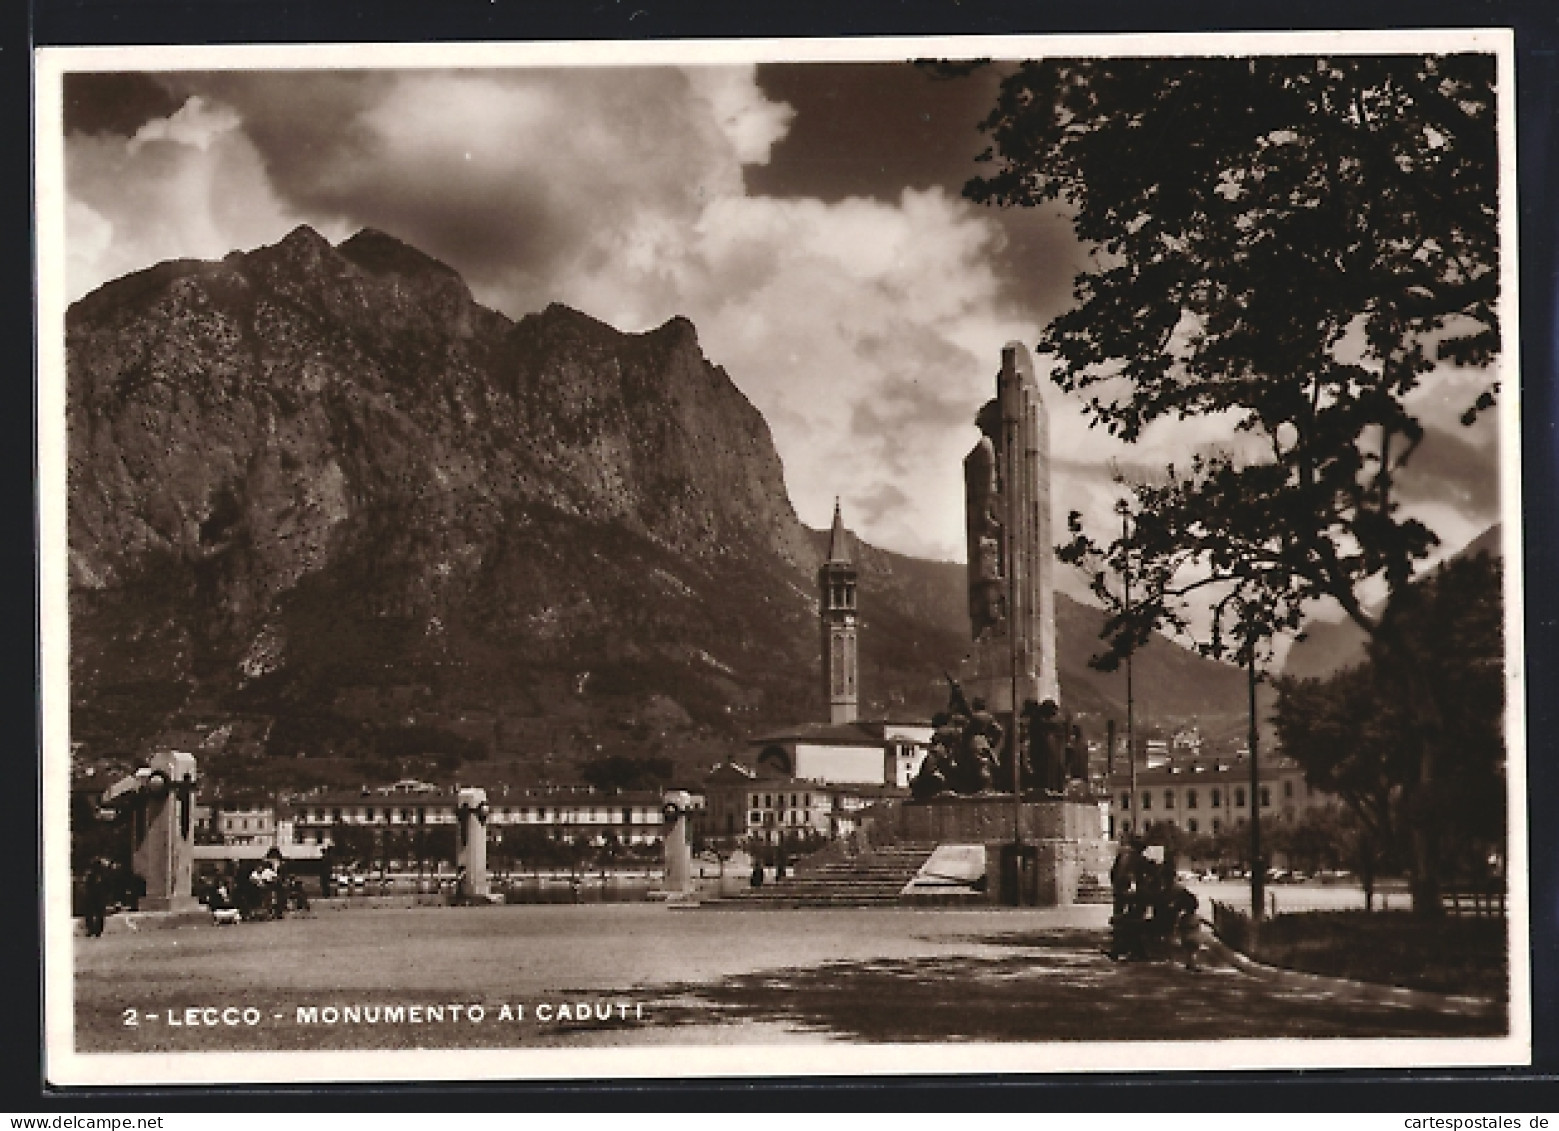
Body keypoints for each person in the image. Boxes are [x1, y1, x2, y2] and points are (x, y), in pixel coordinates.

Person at [82, 857, 109, 939]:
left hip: (97, 896)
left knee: (97, 914)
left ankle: (95, 930)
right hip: (94, 896)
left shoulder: (102, 876)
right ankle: (93, 930)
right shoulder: (91, 875)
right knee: (93, 914)